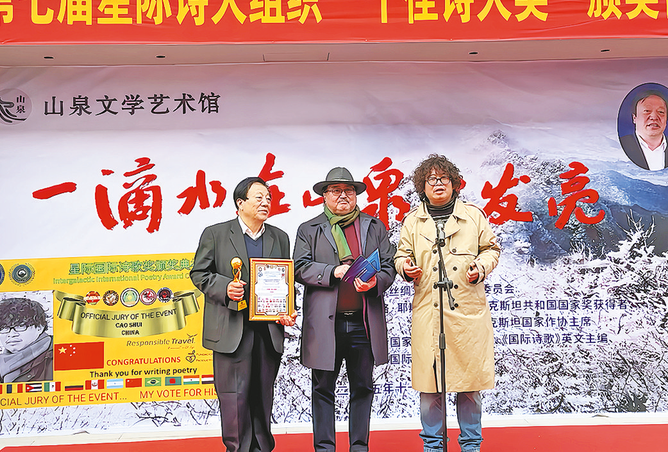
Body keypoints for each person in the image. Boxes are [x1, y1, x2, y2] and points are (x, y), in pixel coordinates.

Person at [394, 154, 500, 452]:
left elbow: (491, 249)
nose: (438, 184)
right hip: (429, 313)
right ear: (422, 186)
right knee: (430, 387)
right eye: (431, 179)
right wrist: (406, 268)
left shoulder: (473, 216)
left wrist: (481, 267)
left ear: (454, 183)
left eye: (443, 178)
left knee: (469, 386)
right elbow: (401, 255)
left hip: (467, 313)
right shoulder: (413, 221)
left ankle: (471, 446)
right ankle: (433, 446)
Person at [190, 176, 296, 452]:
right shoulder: (216, 233)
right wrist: (225, 288)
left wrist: (286, 310)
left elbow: (284, 280)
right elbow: (199, 274)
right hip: (231, 329)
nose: (266, 202)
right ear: (240, 203)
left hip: (267, 330)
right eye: (259, 197)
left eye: (268, 198)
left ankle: (263, 448)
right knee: (234, 399)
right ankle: (237, 449)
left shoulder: (279, 237)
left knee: (263, 396)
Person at [294, 167, 396, 452]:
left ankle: (359, 447)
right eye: (336, 191)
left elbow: (389, 266)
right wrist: (332, 271)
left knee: (363, 387)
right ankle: (325, 448)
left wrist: (376, 282)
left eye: (348, 190)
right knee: (322, 389)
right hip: (326, 324)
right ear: (324, 196)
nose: (343, 196)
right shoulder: (309, 229)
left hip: (363, 321)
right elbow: (299, 267)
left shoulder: (374, 226)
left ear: (356, 195)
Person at [0, 297, 54, 383]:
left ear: (39, 328)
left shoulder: (56, 357)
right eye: (4, 328)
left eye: (20, 326)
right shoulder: (5, 363)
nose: (11, 334)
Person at [619, 90, 668, 170]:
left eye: (661, 112)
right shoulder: (620, 146)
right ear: (634, 118)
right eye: (647, 111)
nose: (654, 117)